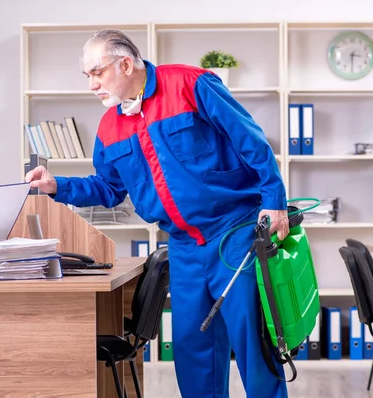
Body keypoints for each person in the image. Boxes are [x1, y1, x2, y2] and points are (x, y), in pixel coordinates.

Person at [25, 29, 290, 398]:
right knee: (192, 350)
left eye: (97, 73)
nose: (91, 85)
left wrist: (274, 202)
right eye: (87, 76)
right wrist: (58, 186)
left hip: (234, 232)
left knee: (252, 342)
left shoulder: (190, 84)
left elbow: (251, 141)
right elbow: (109, 188)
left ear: (126, 63)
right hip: (183, 248)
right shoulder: (109, 128)